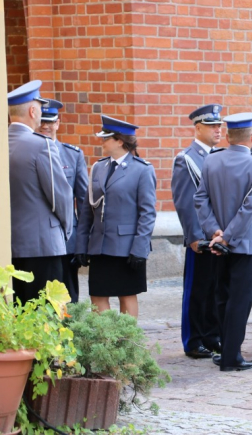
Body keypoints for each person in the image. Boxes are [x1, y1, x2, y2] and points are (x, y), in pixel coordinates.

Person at [195, 112, 252, 371]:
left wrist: (216, 232)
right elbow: (250, 207)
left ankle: (226, 351)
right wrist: (227, 236)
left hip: (218, 243)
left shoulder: (211, 162)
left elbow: (200, 199)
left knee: (222, 298)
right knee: (240, 301)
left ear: (227, 136)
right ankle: (231, 357)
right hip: (246, 244)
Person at [75, 115, 157, 318]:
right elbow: (87, 210)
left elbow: (147, 214)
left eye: (106, 138)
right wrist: (81, 245)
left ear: (120, 141)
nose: (102, 142)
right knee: (97, 295)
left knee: (126, 294)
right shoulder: (98, 168)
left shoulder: (142, 170)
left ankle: (126, 344)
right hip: (100, 245)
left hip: (127, 247)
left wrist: (140, 249)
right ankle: (107, 344)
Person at [8, 80, 73, 303]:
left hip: (9, 245)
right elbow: (59, 196)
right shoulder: (42, 144)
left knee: (18, 314)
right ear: (33, 110)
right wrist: (66, 229)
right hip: (43, 245)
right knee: (45, 315)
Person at [171, 104, 222, 359]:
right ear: (198, 127)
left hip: (219, 235)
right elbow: (185, 200)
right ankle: (194, 340)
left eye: (219, 126)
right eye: (212, 126)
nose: (218, 130)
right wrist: (193, 236)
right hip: (201, 237)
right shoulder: (187, 158)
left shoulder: (220, 155)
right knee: (198, 289)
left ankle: (213, 336)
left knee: (215, 288)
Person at [38, 99, 88, 303]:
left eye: (49, 121)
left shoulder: (72, 155)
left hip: (67, 239)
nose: (45, 126)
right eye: (41, 121)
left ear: (58, 123)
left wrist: (83, 243)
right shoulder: (24, 152)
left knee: (69, 297)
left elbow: (84, 202)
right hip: (37, 238)